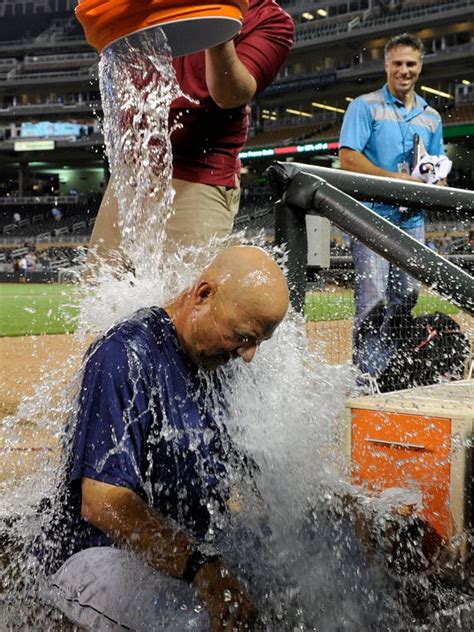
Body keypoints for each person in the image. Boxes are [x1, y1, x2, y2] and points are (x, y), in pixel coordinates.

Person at [40, 245, 289, 630]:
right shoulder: (124, 355)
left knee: (284, 581)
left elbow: (248, 461)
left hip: (174, 555)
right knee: (192, 624)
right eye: (242, 336)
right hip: (94, 555)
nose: (249, 355)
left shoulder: (216, 359)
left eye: (258, 341)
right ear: (203, 295)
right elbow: (103, 502)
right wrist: (200, 566)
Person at [88, 0, 294, 265]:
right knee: (104, 293)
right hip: (132, 175)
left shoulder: (269, 19)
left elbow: (230, 95)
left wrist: (217, 24)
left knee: (182, 300)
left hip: (198, 175)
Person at [338, 32, 447, 379]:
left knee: (407, 296)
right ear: (386, 65)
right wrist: (399, 180)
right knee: (371, 301)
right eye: (397, 63)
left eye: (410, 64)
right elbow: (348, 159)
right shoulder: (364, 106)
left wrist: (437, 180)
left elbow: (434, 162)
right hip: (371, 218)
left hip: (412, 220)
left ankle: (388, 366)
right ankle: (367, 377)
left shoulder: (432, 117)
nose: (404, 70)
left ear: (421, 66)